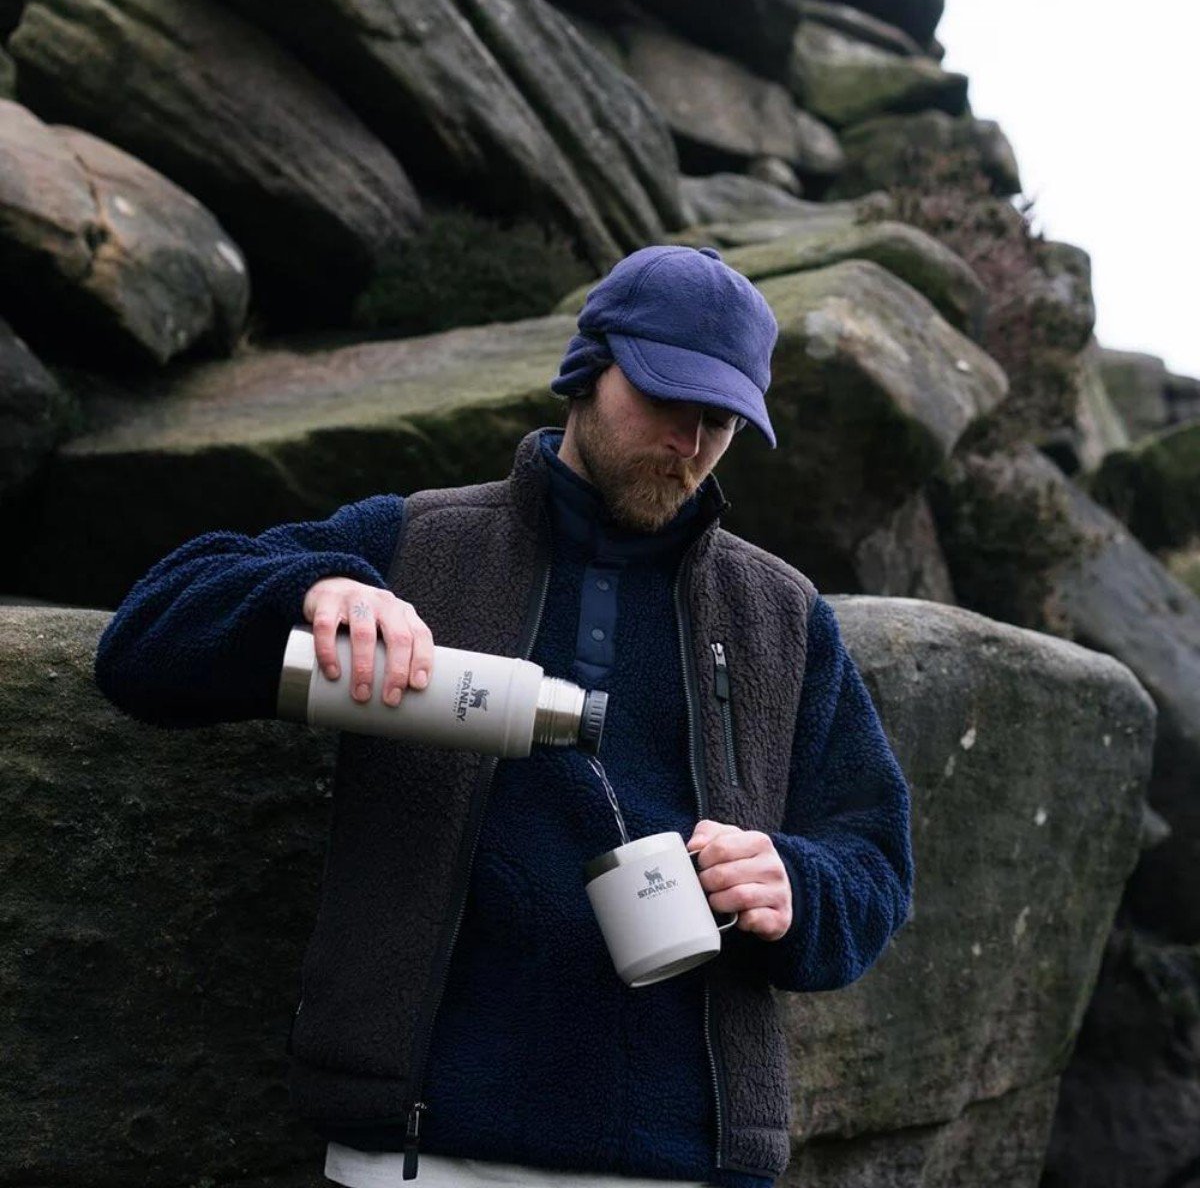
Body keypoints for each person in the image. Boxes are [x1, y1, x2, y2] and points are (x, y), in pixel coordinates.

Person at [94, 244, 915, 1188]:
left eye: (721, 420)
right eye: (666, 397)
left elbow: (876, 861)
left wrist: (796, 886)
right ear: (587, 367)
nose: (690, 443)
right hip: (416, 1147)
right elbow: (141, 644)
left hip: (684, 1159)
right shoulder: (420, 544)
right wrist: (314, 587)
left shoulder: (780, 615)